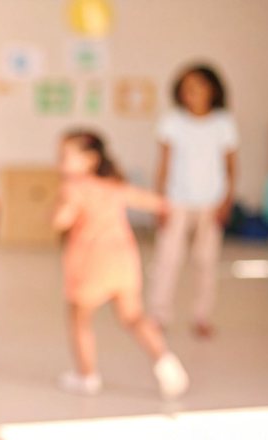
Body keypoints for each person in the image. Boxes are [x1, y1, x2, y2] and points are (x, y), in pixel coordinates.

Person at [52, 130, 189, 398]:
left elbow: (61, 221)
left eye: (65, 155)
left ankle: (87, 375)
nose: (59, 161)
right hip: (124, 261)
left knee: (80, 320)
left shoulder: (73, 188)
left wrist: (55, 208)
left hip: (91, 263)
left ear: (90, 159)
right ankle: (166, 363)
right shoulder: (114, 186)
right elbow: (157, 203)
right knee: (133, 317)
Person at [149, 64, 239, 338]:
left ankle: (202, 315)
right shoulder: (171, 122)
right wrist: (159, 201)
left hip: (210, 203)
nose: (191, 94)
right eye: (186, 89)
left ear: (212, 90)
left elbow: (231, 166)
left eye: (197, 87)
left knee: (206, 261)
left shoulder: (223, 124)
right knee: (168, 259)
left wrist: (227, 200)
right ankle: (158, 315)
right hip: (177, 201)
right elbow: (163, 164)